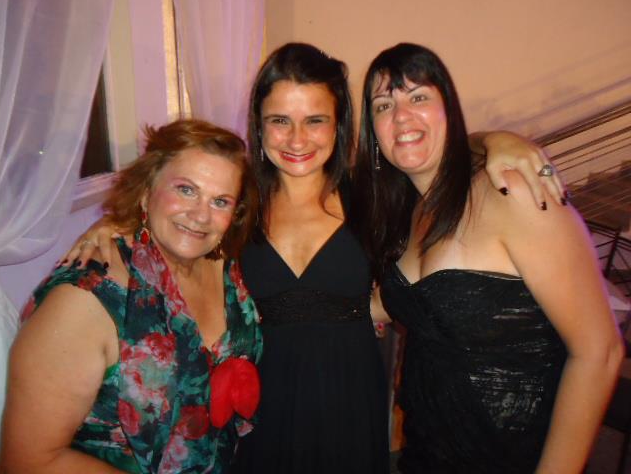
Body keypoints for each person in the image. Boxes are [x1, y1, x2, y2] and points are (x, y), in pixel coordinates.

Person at [60, 44, 565, 474]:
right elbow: (178, 224)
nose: (297, 139)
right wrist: (115, 224)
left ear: (339, 124)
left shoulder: (377, 197)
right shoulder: (238, 204)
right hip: (261, 405)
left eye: (315, 120)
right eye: (280, 121)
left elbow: (434, 165)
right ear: (259, 127)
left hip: (350, 398)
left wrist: (495, 141)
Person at [353, 43, 623, 473]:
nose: (401, 116)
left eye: (418, 97)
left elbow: (599, 351)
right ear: (373, 131)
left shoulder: (509, 190)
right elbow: (413, 305)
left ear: (448, 108)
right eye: (383, 105)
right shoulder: (410, 214)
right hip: (424, 455)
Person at [0, 120, 263, 474]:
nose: (201, 215)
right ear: (146, 190)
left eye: (220, 201)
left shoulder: (222, 263)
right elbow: (27, 463)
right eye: (186, 189)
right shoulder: (83, 300)